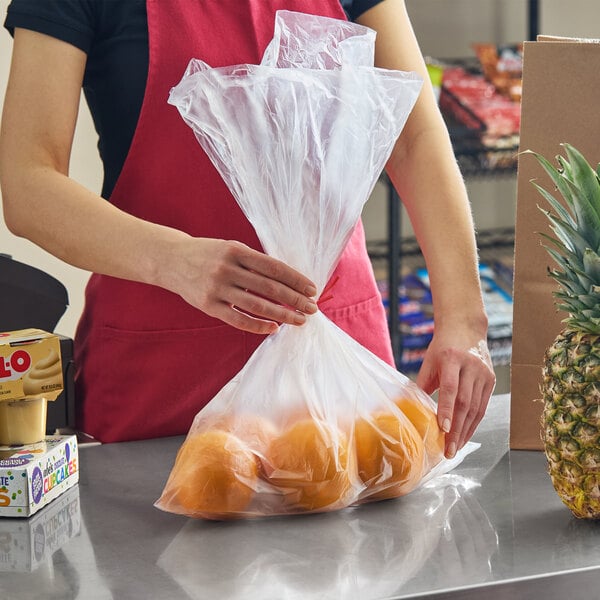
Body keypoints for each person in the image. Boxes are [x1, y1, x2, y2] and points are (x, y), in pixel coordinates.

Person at [0, 0, 495, 455]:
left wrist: (464, 318)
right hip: (162, 379)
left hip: (336, 356)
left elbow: (413, 137)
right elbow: (28, 183)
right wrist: (175, 260)